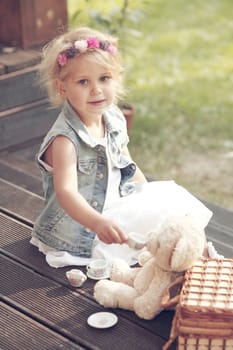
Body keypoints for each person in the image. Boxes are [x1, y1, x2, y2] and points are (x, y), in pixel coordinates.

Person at [31, 27, 220, 268]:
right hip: (82, 228)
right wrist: (98, 223)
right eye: (83, 82)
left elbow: (126, 163)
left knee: (170, 201)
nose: (96, 89)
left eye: (104, 78)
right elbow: (67, 193)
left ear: (117, 78)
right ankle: (186, 263)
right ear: (63, 88)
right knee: (157, 230)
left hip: (116, 204)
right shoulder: (65, 140)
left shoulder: (113, 118)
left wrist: (149, 196)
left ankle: (194, 258)